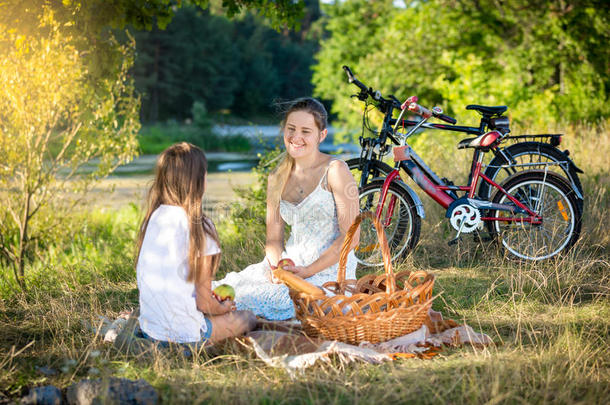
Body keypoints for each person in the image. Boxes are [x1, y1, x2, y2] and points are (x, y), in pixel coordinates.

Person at [214, 97, 360, 320]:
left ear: (322, 135)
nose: (296, 137)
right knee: (231, 290)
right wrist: (275, 268)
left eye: (305, 131)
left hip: (329, 268)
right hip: (289, 265)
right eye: (291, 129)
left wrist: (308, 271)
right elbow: (273, 239)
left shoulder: (336, 170)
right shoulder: (276, 178)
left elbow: (351, 237)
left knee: (289, 302)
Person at [136, 142, 256, 345]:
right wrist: (223, 309)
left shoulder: (152, 218)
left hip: (151, 330)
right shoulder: (199, 225)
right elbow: (204, 303)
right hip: (185, 335)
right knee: (248, 318)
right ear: (199, 181)